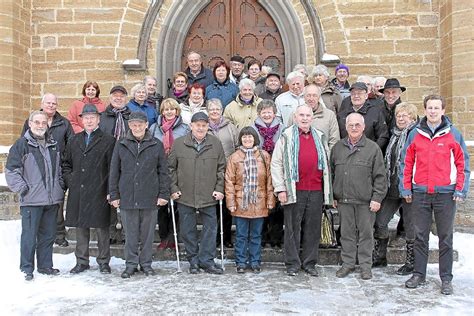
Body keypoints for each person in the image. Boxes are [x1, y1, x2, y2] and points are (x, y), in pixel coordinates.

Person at [400, 95, 470, 295]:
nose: (432, 111)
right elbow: (406, 163)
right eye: (429, 107)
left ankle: (446, 278)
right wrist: (406, 188)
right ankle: (419, 274)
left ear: (443, 111)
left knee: (445, 237)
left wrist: (460, 189)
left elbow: (462, 164)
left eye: (436, 108)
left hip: (445, 194)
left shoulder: (453, 134)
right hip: (420, 193)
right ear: (425, 110)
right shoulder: (415, 134)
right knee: (420, 236)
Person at [271, 105, 333, 277]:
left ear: (312, 118)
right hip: (294, 190)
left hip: (315, 190)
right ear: (295, 117)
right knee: (292, 228)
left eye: (308, 115)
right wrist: (280, 188)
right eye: (301, 115)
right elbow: (276, 163)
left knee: (313, 228)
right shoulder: (286, 136)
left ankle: (310, 262)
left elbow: (327, 164)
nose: (305, 118)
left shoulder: (320, 136)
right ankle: (292, 263)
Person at [109, 111, 170, 278]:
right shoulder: (121, 144)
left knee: (147, 234)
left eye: (140, 124)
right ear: (129, 126)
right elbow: (114, 171)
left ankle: (146, 264)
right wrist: (114, 195)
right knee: (130, 235)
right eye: (133, 125)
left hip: (149, 196)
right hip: (128, 196)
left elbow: (163, 171)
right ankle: (130, 264)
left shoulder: (155, 144)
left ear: (146, 126)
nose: (137, 127)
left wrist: (164, 194)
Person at [6, 111, 65, 281]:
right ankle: (27, 268)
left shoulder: (53, 144)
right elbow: (11, 171)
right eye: (37, 122)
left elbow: (59, 169)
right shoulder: (21, 145)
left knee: (48, 236)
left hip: (51, 200)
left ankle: (45, 265)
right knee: (29, 236)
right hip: (32, 200)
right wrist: (23, 189)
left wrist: (60, 186)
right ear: (30, 124)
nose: (40, 126)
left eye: (43, 122)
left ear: (47, 124)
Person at [330, 113, 387, 280]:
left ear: (363, 127)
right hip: (344, 201)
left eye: (357, 125)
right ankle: (347, 264)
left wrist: (377, 198)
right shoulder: (338, 148)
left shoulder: (373, 148)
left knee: (366, 235)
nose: (354, 128)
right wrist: (333, 195)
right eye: (351, 125)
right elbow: (332, 173)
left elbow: (380, 176)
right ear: (346, 127)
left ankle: (365, 266)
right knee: (346, 235)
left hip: (365, 202)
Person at [168, 112, 226, 275]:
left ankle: (207, 260)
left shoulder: (215, 143)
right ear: (191, 126)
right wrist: (173, 188)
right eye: (197, 125)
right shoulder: (179, 144)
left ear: (208, 127)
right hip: (185, 195)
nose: (200, 128)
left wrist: (219, 188)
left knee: (211, 229)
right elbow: (170, 168)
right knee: (188, 230)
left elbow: (222, 168)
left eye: (203, 125)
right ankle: (193, 260)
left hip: (209, 195)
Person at [62, 104, 116, 275]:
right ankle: (82, 261)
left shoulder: (108, 140)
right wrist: (71, 180)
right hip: (79, 190)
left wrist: (109, 189)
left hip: (100, 190)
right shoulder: (74, 140)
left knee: (102, 228)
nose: (89, 120)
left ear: (99, 119)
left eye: (93, 117)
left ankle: (103, 261)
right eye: (86, 117)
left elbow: (113, 168)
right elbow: (66, 164)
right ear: (81, 120)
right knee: (81, 227)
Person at [21, 93, 73, 247]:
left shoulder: (64, 123)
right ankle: (39, 235)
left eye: (54, 103)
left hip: (57, 167)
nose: (51, 106)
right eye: (48, 103)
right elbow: (23, 142)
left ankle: (59, 235)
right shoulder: (32, 121)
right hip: (36, 168)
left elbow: (71, 144)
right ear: (42, 104)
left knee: (57, 203)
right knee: (37, 204)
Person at [373, 102, 419, 273]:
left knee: (410, 226)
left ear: (412, 118)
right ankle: (380, 257)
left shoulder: (415, 135)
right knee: (381, 221)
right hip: (392, 187)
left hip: (410, 189)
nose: (400, 118)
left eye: (404, 116)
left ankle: (411, 262)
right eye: (399, 115)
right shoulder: (395, 135)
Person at [225, 127, 275, 273]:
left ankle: (255, 261)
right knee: (241, 235)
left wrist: (270, 200)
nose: (247, 140)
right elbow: (229, 181)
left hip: (259, 201)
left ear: (255, 139)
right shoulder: (234, 157)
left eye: (250, 137)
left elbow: (269, 180)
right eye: (244, 137)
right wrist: (231, 202)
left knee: (256, 234)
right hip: (242, 202)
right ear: (240, 139)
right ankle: (240, 262)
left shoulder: (264, 156)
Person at [150, 98, 188, 250]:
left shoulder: (185, 128)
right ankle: (164, 237)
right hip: (159, 170)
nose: (169, 112)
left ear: (177, 111)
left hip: (179, 170)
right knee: (161, 206)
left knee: (177, 206)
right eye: (166, 109)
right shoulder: (154, 128)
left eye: (172, 109)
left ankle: (174, 236)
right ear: (162, 112)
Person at [250, 99, 284, 248]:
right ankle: (262, 237)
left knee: (277, 205)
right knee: (262, 204)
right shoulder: (252, 128)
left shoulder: (282, 128)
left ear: (274, 113)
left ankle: (276, 237)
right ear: (259, 113)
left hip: (278, 169)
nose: (267, 114)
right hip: (259, 170)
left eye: (269, 111)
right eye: (263, 112)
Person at [207, 98, 239, 247]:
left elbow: (237, 147)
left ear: (221, 111)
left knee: (226, 207)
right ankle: (212, 237)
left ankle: (225, 238)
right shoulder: (203, 126)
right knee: (211, 208)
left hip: (227, 172)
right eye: (211, 109)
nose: (214, 112)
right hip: (208, 172)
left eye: (217, 109)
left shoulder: (230, 127)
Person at [337, 82, 389, 152]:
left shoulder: (376, 113)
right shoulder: (342, 114)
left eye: (359, 93)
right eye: (353, 93)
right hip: (347, 155)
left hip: (369, 156)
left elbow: (383, 136)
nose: (356, 96)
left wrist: (372, 151)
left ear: (366, 96)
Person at [287, 84, 340, 151]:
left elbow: (334, 140)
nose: (311, 99)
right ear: (304, 97)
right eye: (308, 95)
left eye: (314, 95)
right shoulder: (294, 115)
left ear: (319, 97)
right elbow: (288, 138)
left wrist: (328, 157)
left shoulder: (329, 115)